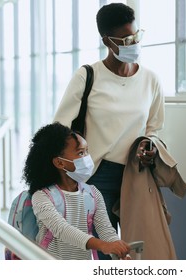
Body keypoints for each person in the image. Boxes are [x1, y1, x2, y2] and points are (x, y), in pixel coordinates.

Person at [53, 3, 164, 259]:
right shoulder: (88, 76)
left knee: (138, 251)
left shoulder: (151, 80)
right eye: (125, 39)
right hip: (97, 175)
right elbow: (60, 128)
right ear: (107, 41)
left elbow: (155, 127)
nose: (133, 43)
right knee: (105, 254)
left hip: (136, 175)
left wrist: (152, 146)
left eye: (136, 36)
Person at [22, 122, 131, 260]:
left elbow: (106, 231)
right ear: (60, 163)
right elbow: (61, 230)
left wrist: (118, 250)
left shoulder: (92, 193)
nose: (87, 158)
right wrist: (103, 245)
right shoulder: (42, 196)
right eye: (80, 153)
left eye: (87, 151)